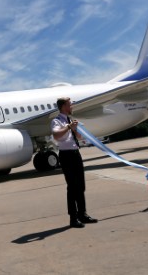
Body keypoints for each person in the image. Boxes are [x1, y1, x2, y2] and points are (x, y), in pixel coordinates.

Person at [51, 97, 98, 228]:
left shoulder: (70, 120)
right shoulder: (57, 121)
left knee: (81, 186)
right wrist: (68, 127)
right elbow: (56, 135)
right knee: (72, 187)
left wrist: (76, 130)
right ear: (64, 107)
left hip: (76, 153)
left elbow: (79, 138)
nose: (71, 107)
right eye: (69, 105)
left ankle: (83, 214)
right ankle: (73, 218)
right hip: (66, 155)